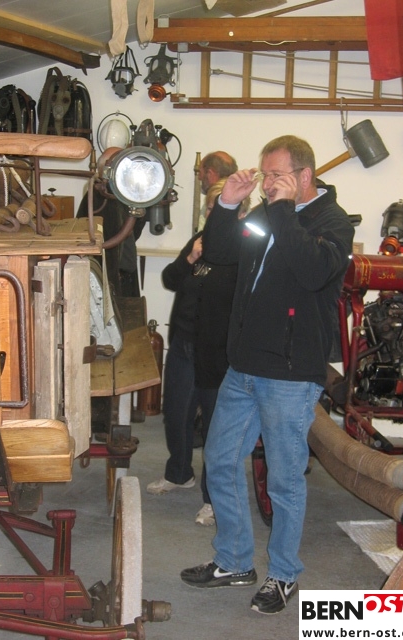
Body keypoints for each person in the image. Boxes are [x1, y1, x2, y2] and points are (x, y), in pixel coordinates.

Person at [180, 135, 354, 614]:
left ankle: (283, 575)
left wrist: (281, 209)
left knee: (284, 479)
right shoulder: (261, 213)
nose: (268, 183)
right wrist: (226, 205)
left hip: (291, 374)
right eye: (265, 174)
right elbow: (220, 252)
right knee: (219, 461)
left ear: (304, 176)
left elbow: (312, 270)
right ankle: (234, 560)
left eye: (277, 174)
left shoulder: (333, 222)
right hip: (245, 366)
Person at [146, 151, 240, 527]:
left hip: (217, 352)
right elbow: (170, 279)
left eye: (216, 208)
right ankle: (178, 473)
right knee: (176, 414)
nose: (210, 214)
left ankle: (213, 498)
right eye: (209, 208)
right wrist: (189, 259)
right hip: (184, 343)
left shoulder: (241, 248)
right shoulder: (199, 241)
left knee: (216, 426)